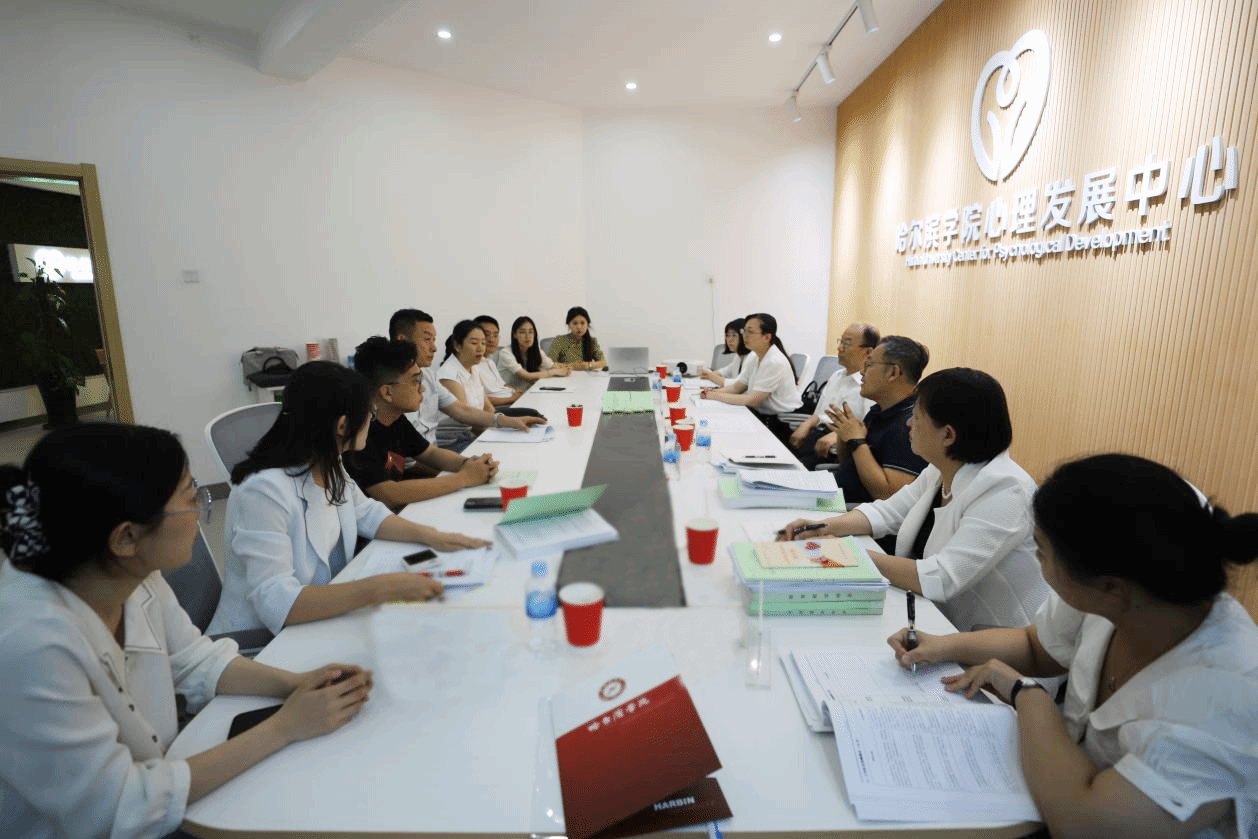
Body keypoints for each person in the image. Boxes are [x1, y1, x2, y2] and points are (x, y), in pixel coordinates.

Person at [0, 423, 374, 839]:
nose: (200, 508)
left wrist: (295, 684)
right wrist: (284, 727)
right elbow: (118, 805)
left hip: (157, 789)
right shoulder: (31, 644)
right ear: (126, 537)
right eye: (189, 496)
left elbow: (197, 660)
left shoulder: (127, 574)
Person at [888, 454, 1258, 839]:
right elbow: (1037, 647)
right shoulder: (1129, 593)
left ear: (1111, 586)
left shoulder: (1226, 696)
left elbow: (1082, 823)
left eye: (1041, 552)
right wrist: (943, 646)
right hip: (1053, 787)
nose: (1036, 562)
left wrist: (1028, 695)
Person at [209, 361, 490, 636]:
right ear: (343, 426)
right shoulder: (263, 492)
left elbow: (367, 512)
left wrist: (432, 536)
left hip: (322, 613)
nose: (372, 420)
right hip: (262, 641)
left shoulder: (328, 461)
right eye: (370, 413)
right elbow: (276, 601)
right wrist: (377, 589)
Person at [782, 368, 1049, 632]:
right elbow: (889, 512)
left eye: (917, 417)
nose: (908, 423)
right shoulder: (941, 468)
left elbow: (942, 577)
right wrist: (824, 527)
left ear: (948, 435)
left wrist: (848, 554)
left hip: (991, 639)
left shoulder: (1006, 490)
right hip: (931, 616)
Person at [347, 336, 498, 509]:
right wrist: (464, 477)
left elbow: (430, 453)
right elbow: (387, 494)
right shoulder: (359, 432)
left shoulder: (395, 419)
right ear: (387, 392)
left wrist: (470, 463)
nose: (422, 387)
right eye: (415, 381)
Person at [389, 309, 544, 446]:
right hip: (455, 441)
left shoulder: (433, 375)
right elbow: (464, 416)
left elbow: (472, 409)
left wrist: (504, 424)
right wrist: (499, 433)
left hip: (448, 444)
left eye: (483, 342)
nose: (434, 348)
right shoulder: (446, 375)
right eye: (427, 339)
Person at [819, 335, 929, 503]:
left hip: (846, 508)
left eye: (869, 365)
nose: (862, 372)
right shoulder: (880, 410)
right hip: (834, 494)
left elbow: (887, 496)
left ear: (893, 372)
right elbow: (848, 464)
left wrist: (857, 441)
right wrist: (845, 436)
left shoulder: (910, 424)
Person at [788, 322, 879, 469]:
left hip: (836, 448)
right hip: (816, 434)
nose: (840, 348)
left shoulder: (870, 384)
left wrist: (839, 436)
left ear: (868, 352)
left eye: (847, 343)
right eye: (840, 341)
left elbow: (869, 427)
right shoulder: (837, 376)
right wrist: (806, 424)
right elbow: (820, 414)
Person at [700, 312, 802, 442]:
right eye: (744, 331)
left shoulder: (773, 361)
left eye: (750, 332)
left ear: (767, 337)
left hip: (782, 422)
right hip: (763, 415)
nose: (745, 336)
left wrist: (714, 395)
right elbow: (737, 388)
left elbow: (752, 400)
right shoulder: (755, 357)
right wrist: (710, 392)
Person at [496, 315, 570, 391]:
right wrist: (553, 372)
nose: (527, 336)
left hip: (527, 392)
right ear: (514, 335)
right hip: (507, 394)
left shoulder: (536, 351)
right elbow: (527, 376)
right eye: (522, 332)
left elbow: (552, 365)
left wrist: (567, 368)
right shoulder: (505, 353)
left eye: (531, 332)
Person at [471, 315, 522, 407]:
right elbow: (480, 398)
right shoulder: (472, 365)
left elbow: (501, 387)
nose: (492, 340)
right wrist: (512, 399)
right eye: (487, 335)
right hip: (502, 408)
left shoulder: (490, 362)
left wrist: (514, 391)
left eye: (495, 335)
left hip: (512, 401)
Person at [547, 306, 606, 371]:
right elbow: (549, 364)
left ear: (587, 324)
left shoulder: (592, 341)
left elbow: (603, 362)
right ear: (569, 325)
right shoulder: (559, 340)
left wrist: (588, 365)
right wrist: (573, 366)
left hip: (586, 376)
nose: (579, 327)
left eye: (582, 323)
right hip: (566, 375)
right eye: (575, 323)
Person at [700, 318, 751, 386]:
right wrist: (708, 374)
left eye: (734, 335)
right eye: (727, 335)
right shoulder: (738, 357)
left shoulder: (752, 357)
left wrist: (710, 376)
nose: (730, 339)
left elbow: (737, 384)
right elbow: (725, 371)